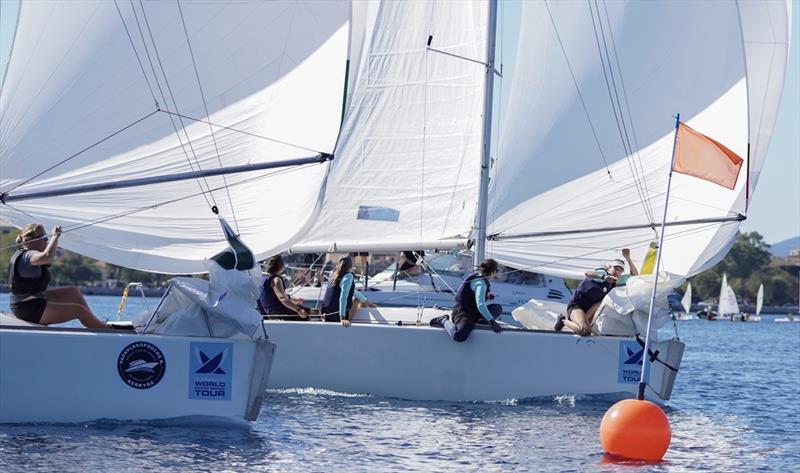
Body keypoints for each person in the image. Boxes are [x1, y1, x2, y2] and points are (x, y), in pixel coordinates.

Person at [7, 223, 108, 329]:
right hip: (27, 309)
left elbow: (47, 256)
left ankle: (96, 322)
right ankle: (106, 330)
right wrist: (55, 236)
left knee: (73, 292)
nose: (47, 241)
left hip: (34, 300)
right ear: (33, 241)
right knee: (79, 311)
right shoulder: (28, 256)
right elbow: (47, 257)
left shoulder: (30, 253)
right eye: (45, 238)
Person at [555, 248, 639, 336]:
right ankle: (562, 320)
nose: (617, 271)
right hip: (576, 306)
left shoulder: (617, 280)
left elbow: (635, 276)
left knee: (589, 327)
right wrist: (603, 277)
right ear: (609, 268)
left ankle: (582, 323)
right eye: (615, 268)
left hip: (590, 309)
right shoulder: (602, 273)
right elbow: (588, 273)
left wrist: (628, 258)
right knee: (585, 331)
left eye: (620, 270)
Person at [438, 258, 503, 342]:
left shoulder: (480, 279)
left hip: (473, 311)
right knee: (459, 336)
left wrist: (487, 296)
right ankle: (443, 320)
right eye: (496, 271)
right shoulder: (480, 283)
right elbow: (481, 305)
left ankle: (475, 322)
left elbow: (474, 295)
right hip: (462, 312)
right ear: (492, 272)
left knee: (498, 308)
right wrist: (492, 322)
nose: (496, 274)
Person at [321, 255, 377, 327]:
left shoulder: (334, 275)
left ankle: (367, 310)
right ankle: (363, 321)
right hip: (336, 317)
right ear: (351, 265)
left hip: (326, 314)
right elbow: (343, 297)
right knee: (357, 300)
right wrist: (342, 318)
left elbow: (353, 292)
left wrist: (369, 302)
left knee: (359, 298)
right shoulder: (348, 276)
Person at [258, 255, 310, 319]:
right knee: (312, 312)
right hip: (277, 312)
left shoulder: (263, 278)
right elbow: (282, 298)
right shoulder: (276, 279)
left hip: (269, 311)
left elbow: (274, 296)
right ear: (281, 266)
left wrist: (293, 300)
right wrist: (298, 310)